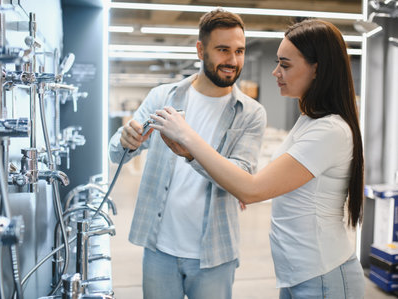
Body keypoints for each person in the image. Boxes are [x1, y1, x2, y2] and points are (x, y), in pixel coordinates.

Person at [151, 19, 365, 299]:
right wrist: (197, 158)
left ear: (317, 69)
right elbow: (258, 183)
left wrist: (188, 136)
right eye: (278, 62)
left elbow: (252, 189)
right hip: (299, 275)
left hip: (323, 278)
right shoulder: (308, 122)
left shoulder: (330, 130)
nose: (275, 72)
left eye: (285, 65)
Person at [108, 8, 266, 299]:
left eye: (239, 51)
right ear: (200, 49)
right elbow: (117, 156)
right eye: (222, 50)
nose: (232, 61)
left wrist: (191, 151)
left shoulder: (250, 114)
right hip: (159, 250)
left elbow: (242, 179)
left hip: (214, 255)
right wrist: (125, 140)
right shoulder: (162, 97)